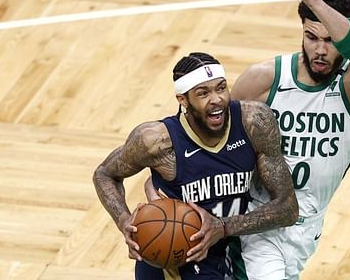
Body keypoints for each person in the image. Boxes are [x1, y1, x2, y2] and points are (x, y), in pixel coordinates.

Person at [229, 0, 350, 280]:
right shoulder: (265, 80)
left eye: (330, 41)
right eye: (311, 36)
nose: (319, 50)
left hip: (307, 229)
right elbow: (211, 142)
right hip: (258, 222)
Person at [93, 52, 299, 280]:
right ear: (183, 100)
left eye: (221, 88)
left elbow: (288, 209)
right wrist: (124, 221)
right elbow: (104, 174)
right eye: (203, 93)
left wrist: (222, 227)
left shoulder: (254, 122)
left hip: (223, 249)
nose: (217, 99)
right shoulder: (155, 141)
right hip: (167, 256)